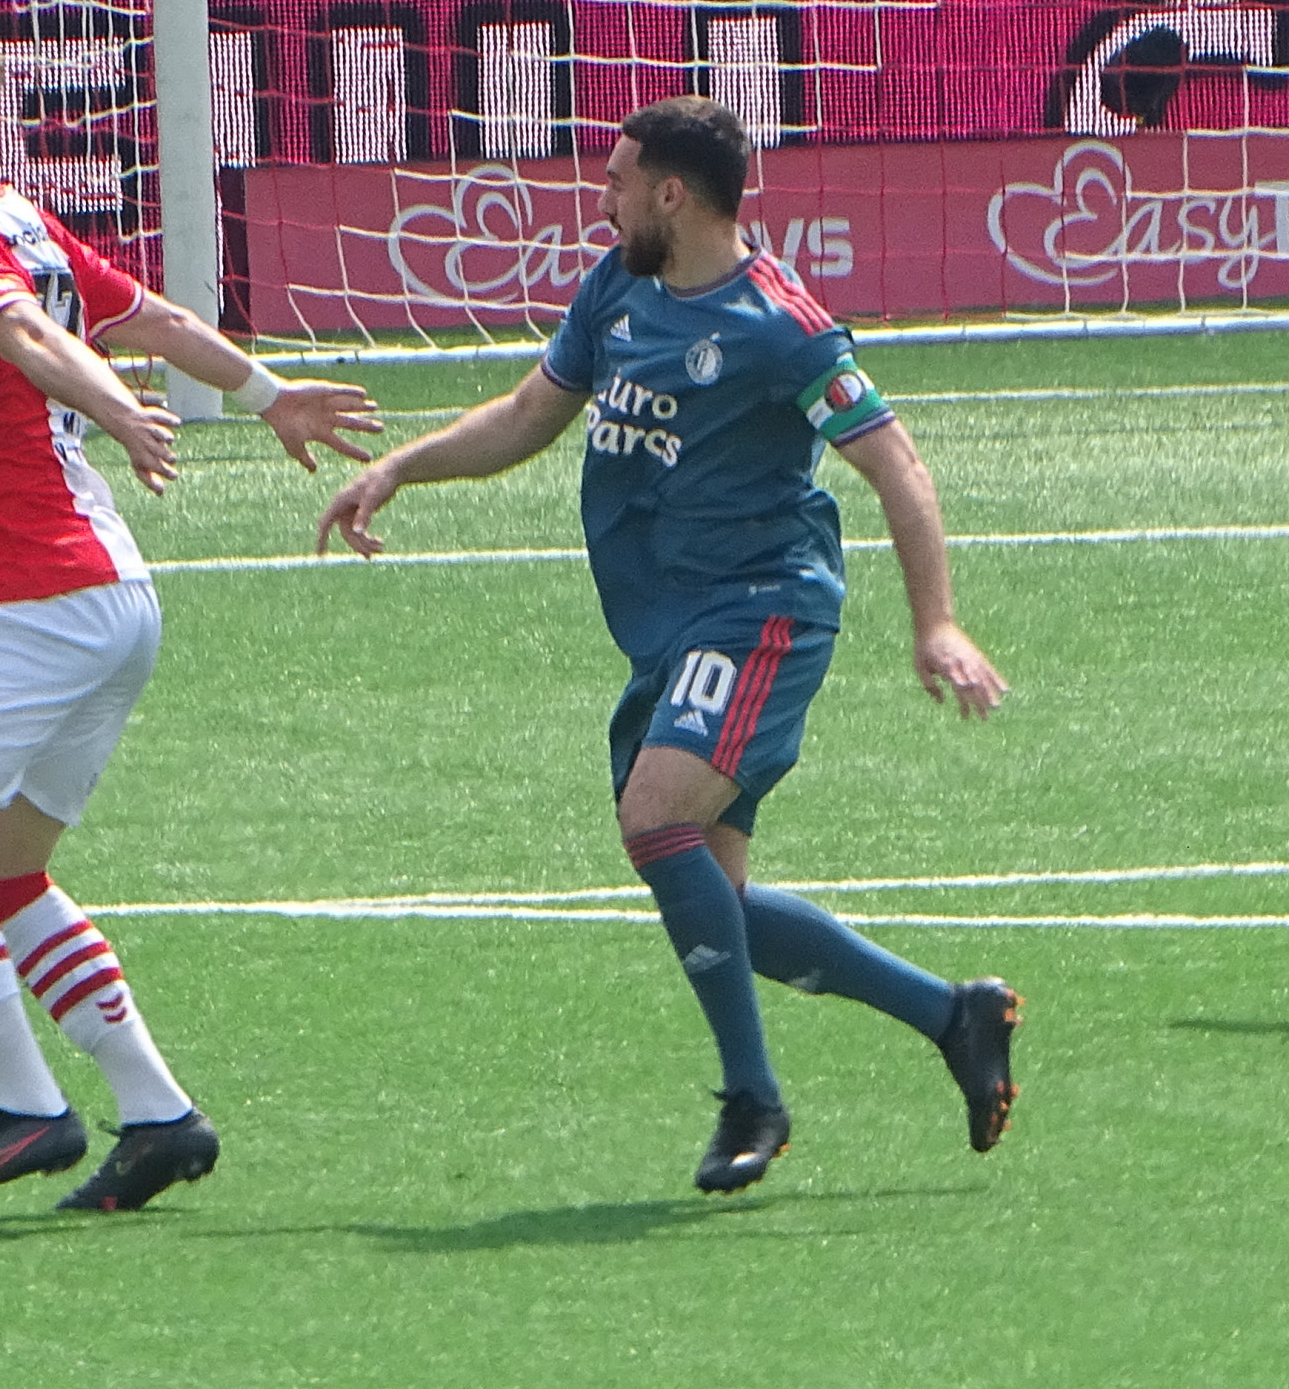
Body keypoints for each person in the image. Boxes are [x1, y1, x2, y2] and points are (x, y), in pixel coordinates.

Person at [311, 95, 1019, 1196]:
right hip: (667, 626)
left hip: (761, 611)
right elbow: (530, 414)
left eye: (617, 181)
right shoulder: (619, 288)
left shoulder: (781, 326)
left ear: (672, 194)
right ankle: (952, 1015)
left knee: (654, 819)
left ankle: (755, 1101)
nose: (602, 200)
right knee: (715, 904)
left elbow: (897, 465)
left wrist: (935, 620)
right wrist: (401, 466)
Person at [0, 20, 380, 1212]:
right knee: (2, 864)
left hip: (29, 596)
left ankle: (26, 1105)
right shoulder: (32, 225)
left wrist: (121, 410)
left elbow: (33, 339)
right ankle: (159, 1112)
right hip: (113, 600)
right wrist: (272, 395)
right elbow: (158, 321)